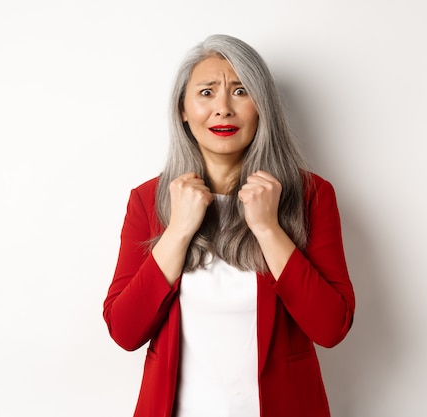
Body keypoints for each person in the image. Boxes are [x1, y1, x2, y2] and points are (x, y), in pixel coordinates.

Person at [103, 34, 355, 417]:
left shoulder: (311, 195)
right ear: (183, 110)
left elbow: (331, 327)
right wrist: (179, 230)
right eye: (206, 92)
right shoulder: (148, 200)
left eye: (240, 90)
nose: (222, 108)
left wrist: (269, 229)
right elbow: (125, 331)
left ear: (262, 106)